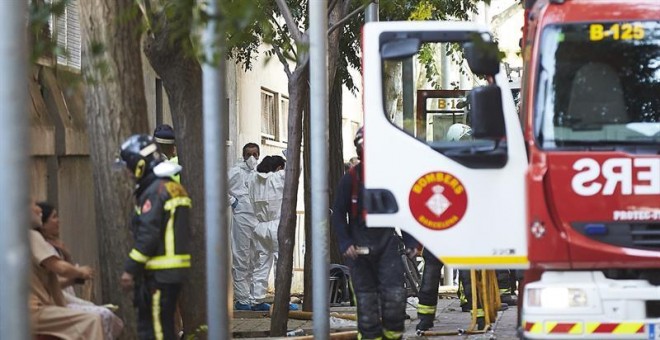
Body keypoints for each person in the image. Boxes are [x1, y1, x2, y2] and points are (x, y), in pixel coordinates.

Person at [331, 127, 408, 339]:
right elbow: (338, 213)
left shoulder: (391, 178)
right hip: (359, 247)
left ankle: (393, 336)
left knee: (394, 297)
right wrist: (346, 242)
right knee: (366, 303)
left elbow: (404, 211)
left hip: (387, 245)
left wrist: (411, 242)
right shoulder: (351, 179)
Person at [117, 134, 191, 340]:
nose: (129, 174)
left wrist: (130, 269)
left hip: (160, 274)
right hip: (171, 272)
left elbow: (148, 235)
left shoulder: (155, 191)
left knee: (156, 332)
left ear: (139, 164)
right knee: (164, 327)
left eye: (130, 167)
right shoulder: (171, 187)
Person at [36, 202, 124, 339]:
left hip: (59, 302)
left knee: (103, 315)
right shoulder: (36, 241)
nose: (58, 220)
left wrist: (67, 253)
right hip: (46, 306)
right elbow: (60, 272)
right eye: (54, 217)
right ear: (43, 224)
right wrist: (79, 273)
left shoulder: (53, 246)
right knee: (98, 317)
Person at [28, 199, 105, 339]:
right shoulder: (31, 236)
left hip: (30, 311)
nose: (38, 210)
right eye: (33, 205)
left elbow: (53, 283)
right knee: (93, 320)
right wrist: (81, 271)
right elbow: (60, 268)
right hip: (34, 311)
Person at [248, 155, 298, 311]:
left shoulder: (252, 178)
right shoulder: (278, 177)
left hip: (259, 226)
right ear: (278, 168)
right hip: (278, 225)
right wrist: (288, 153)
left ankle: (256, 300)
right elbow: (297, 168)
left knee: (260, 265)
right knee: (282, 264)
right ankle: (283, 301)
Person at [228, 142, 264, 311]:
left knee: (256, 258)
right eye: (248, 154)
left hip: (257, 219)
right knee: (241, 257)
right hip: (242, 218)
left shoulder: (261, 172)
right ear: (243, 155)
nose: (252, 157)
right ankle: (242, 299)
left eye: (255, 154)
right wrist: (233, 202)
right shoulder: (236, 172)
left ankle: (255, 297)